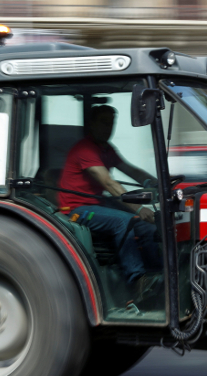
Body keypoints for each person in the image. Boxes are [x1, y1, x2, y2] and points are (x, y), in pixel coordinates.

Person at [57, 105, 162, 297]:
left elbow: (131, 170)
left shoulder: (106, 149)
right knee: (125, 221)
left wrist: (158, 183)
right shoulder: (85, 149)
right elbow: (109, 183)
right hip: (75, 209)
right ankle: (137, 279)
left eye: (111, 123)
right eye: (104, 122)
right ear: (92, 124)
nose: (109, 127)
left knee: (148, 226)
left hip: (97, 204)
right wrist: (138, 209)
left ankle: (157, 275)